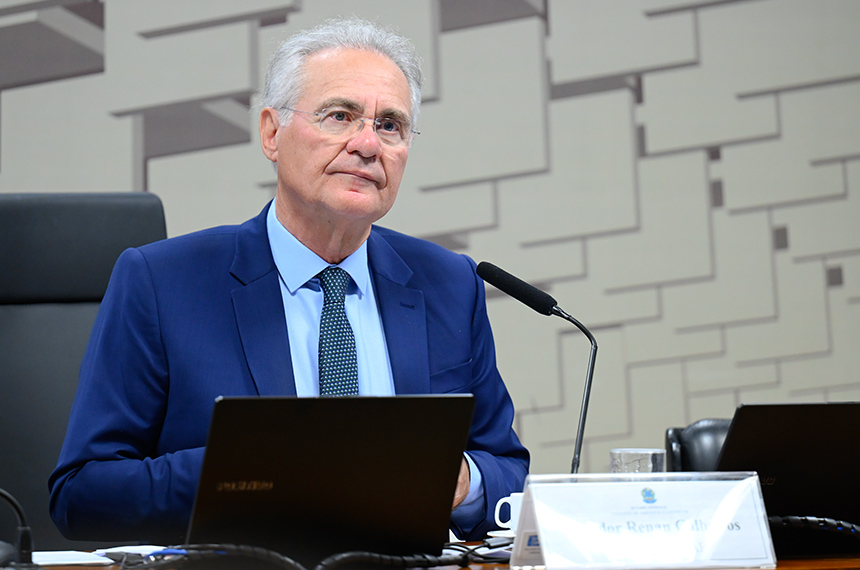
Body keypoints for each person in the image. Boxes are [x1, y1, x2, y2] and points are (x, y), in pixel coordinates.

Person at [49, 17, 528, 545]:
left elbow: (508, 470)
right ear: (272, 133)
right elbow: (82, 493)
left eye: (390, 125)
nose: (368, 144)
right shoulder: (161, 282)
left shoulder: (450, 284)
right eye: (340, 116)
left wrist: (459, 482)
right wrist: (254, 472)